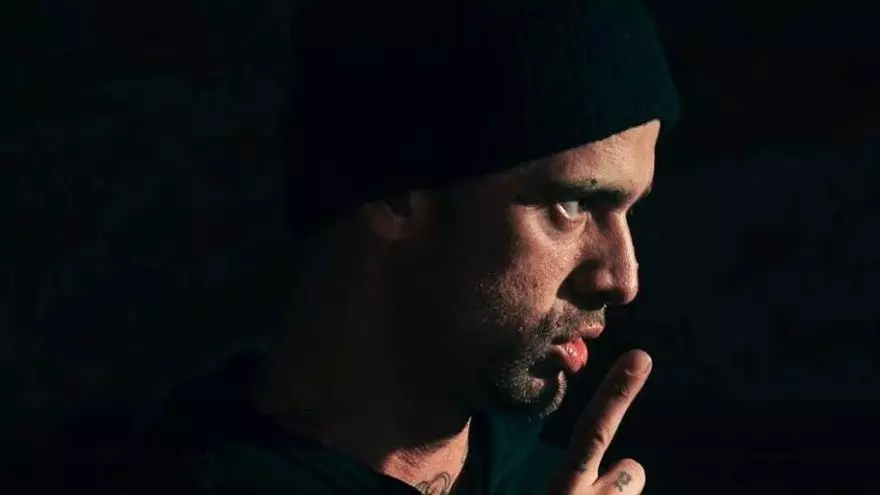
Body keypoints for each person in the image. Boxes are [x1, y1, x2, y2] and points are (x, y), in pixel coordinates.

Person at [63, 0, 680, 493]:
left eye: (630, 209)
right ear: (399, 192)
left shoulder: (561, 482)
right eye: (572, 204)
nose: (622, 277)